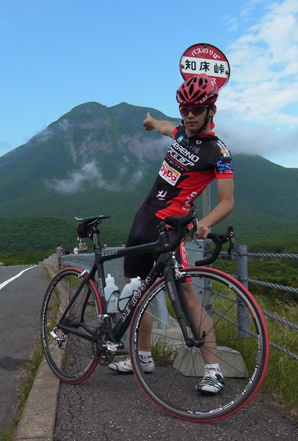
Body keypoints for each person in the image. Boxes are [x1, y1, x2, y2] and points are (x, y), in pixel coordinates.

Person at [107, 74, 234, 395]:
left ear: (211, 110)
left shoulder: (217, 152)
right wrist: (151, 121)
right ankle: (143, 358)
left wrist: (205, 221)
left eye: (196, 108)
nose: (189, 114)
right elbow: (167, 127)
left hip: (168, 228)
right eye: (184, 108)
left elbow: (227, 201)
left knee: (188, 296)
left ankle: (213, 370)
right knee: (136, 293)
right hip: (141, 222)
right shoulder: (182, 133)